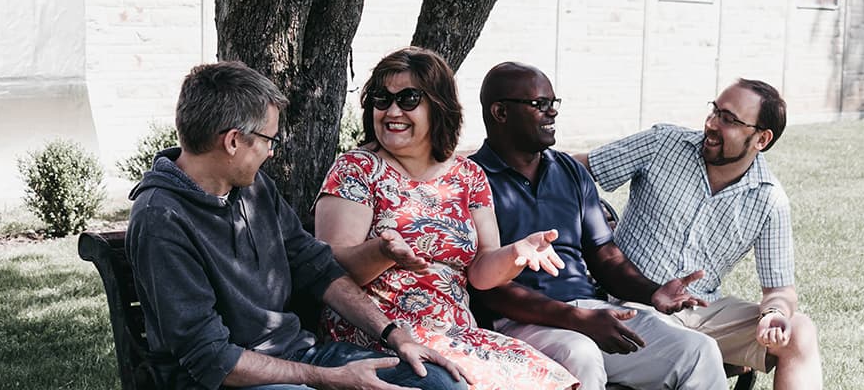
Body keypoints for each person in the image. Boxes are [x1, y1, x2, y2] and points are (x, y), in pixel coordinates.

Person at [126, 60, 469, 390]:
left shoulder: (254, 187)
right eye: (268, 140)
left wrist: (395, 335)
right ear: (232, 141)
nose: (272, 153)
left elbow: (317, 268)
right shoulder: (161, 219)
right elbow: (210, 358)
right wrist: (333, 379)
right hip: (227, 380)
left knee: (441, 383)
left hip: (298, 356)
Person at [313, 47, 578, 390]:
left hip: (454, 332)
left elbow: (482, 272)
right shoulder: (357, 169)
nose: (392, 111)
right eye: (382, 99)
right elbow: (330, 272)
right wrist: (382, 252)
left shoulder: (468, 175)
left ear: (438, 107)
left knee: (553, 381)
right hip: (377, 335)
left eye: (408, 99)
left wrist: (515, 254)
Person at [467, 61, 728, 389]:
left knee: (698, 351)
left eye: (553, 103)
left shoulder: (569, 172)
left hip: (592, 313)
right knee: (582, 354)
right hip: (519, 323)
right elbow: (487, 290)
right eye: (539, 104)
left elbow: (604, 255)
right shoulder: (471, 181)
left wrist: (653, 292)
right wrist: (576, 320)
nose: (552, 113)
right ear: (500, 112)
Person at [577, 78, 823, 389]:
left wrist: (774, 313)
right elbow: (580, 168)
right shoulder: (662, 144)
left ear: (761, 139)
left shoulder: (769, 199)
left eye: (729, 120)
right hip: (634, 302)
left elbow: (780, 289)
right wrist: (521, 162)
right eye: (715, 111)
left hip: (702, 313)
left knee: (798, 332)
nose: (711, 124)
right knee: (687, 346)